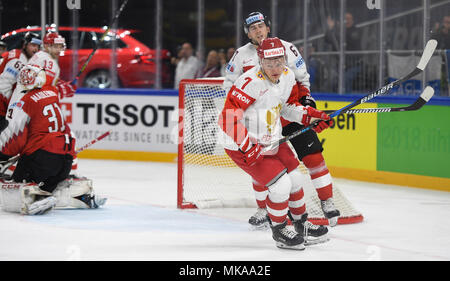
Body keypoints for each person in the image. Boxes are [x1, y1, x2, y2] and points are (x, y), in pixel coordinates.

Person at [223, 11, 340, 229]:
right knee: (265, 168)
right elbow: (230, 91)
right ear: (248, 34)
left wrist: (309, 112)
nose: (258, 31)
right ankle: (267, 211)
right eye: (252, 28)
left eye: (260, 26)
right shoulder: (242, 57)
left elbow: (299, 85)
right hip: (259, 120)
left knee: (310, 159)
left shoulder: (287, 52)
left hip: (283, 111)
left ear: (268, 27)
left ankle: (323, 203)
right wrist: (247, 114)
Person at [0, 65, 106, 215]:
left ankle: (35, 198)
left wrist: (3, 155)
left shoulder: (24, 102)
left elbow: (15, 137)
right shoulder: (51, 93)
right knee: (51, 183)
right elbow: (67, 130)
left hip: (43, 157)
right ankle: (80, 196)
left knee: (15, 182)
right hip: (65, 160)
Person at [0, 32, 41, 131]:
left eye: (37, 46)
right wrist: (13, 108)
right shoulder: (18, 60)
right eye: (33, 45)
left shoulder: (27, 61)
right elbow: (3, 86)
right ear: (24, 44)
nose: (35, 49)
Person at [324, 12, 362, 93]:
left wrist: (337, 28)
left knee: (345, 79)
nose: (346, 21)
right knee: (331, 80)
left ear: (352, 20)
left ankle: (348, 100)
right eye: (345, 19)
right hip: (340, 65)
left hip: (354, 65)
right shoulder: (340, 31)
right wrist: (330, 28)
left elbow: (347, 39)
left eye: (348, 19)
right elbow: (327, 39)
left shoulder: (355, 31)